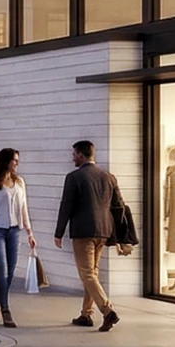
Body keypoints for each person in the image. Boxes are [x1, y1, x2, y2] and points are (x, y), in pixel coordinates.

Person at [53, 139, 124, 332]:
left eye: (74, 154)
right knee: (92, 273)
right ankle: (86, 314)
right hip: (103, 231)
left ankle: (108, 311)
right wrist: (118, 236)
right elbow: (118, 207)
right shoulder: (109, 177)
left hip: (83, 232)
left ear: (82, 155)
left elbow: (66, 205)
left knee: (87, 274)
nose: (72, 157)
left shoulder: (74, 177)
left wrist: (59, 232)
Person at [0, 148, 35, 329]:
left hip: (14, 231)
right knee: (2, 270)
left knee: (10, 272)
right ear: (5, 161)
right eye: (14, 160)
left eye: (18, 160)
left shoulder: (20, 183)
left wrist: (29, 232)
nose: (17, 163)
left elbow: (24, 208)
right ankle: (5, 309)